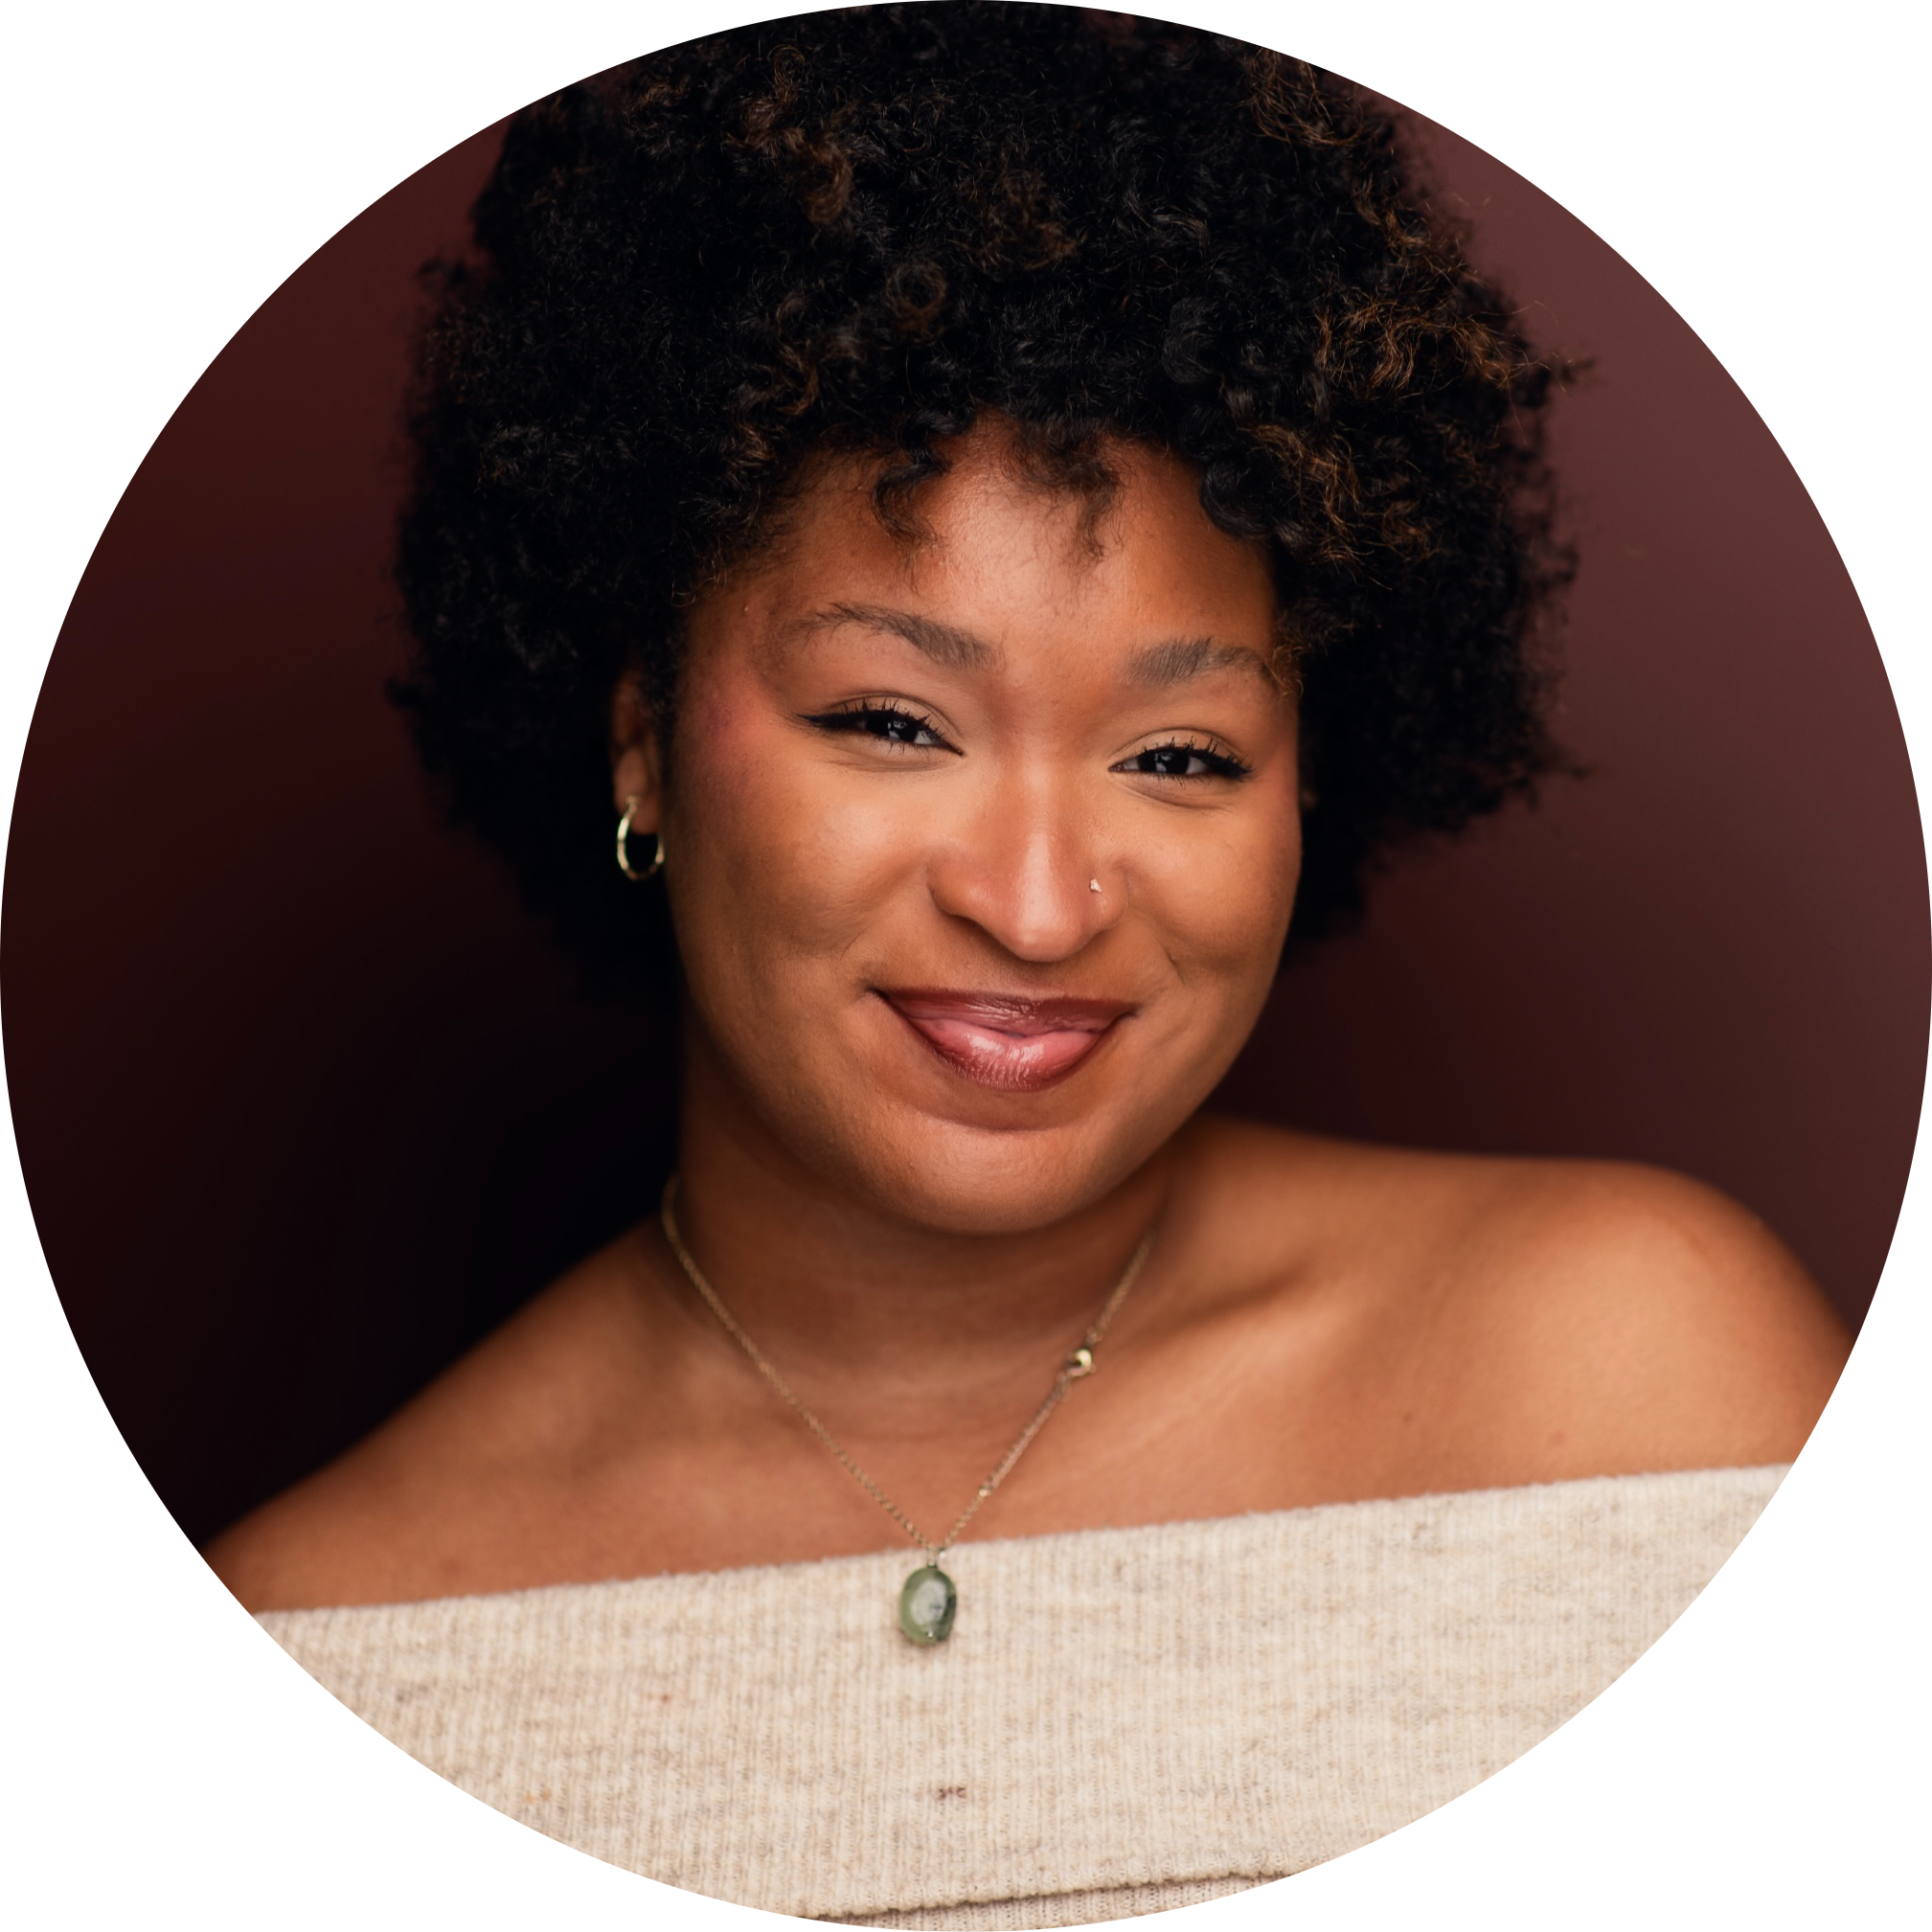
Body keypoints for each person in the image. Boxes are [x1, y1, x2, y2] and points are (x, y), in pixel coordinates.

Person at [201, 8, 1850, 1923]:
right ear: (644, 739)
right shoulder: (321, 1643)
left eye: (1181, 757)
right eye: (893, 722)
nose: (1043, 906)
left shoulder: (1624, 1378)